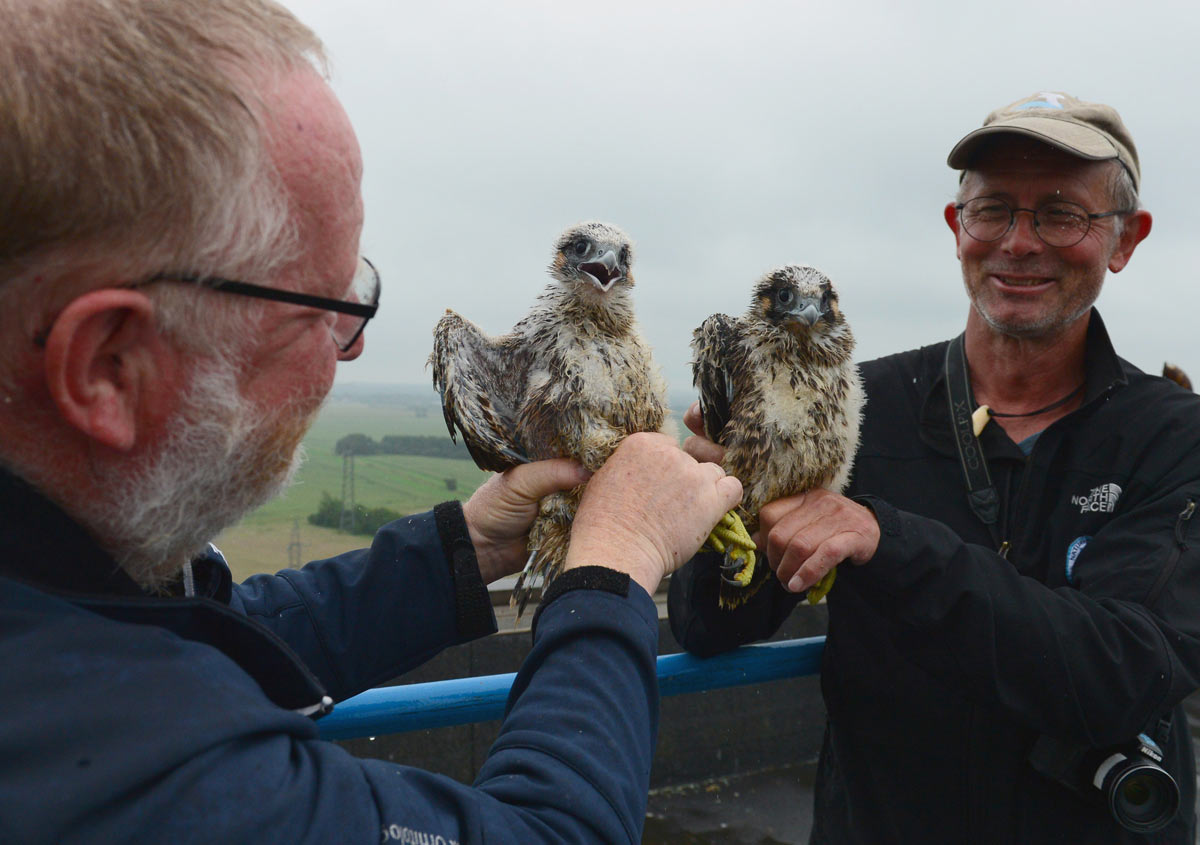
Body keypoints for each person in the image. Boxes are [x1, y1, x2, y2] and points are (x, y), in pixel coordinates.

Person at [0, 1, 743, 842]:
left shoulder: (57, 608)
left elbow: (205, 635)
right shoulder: (148, 777)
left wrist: (461, 551)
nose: (349, 350)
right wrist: (616, 566)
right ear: (108, 366)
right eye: (323, 308)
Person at [670, 91, 1200, 843]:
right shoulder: (855, 405)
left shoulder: (1174, 436)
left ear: (1125, 239)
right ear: (958, 229)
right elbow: (705, 625)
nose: (1019, 241)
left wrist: (884, 538)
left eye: (1061, 213)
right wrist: (730, 507)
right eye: (993, 211)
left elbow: (1122, 669)